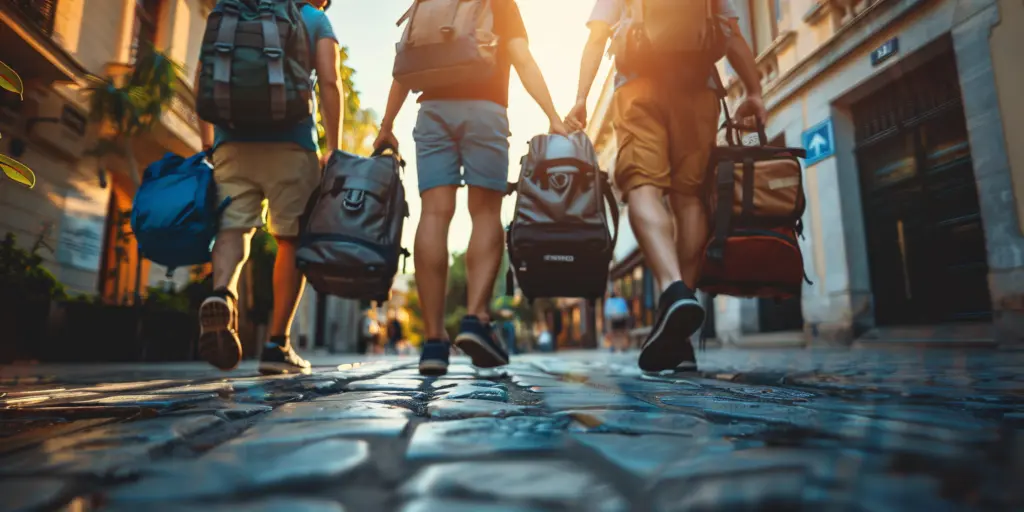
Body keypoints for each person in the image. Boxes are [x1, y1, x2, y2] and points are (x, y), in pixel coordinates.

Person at [566, 0, 766, 371]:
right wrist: (754, 92)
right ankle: (680, 335)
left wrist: (581, 99)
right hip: (699, 88)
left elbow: (596, 38)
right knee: (689, 199)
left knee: (642, 187)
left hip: (638, 84)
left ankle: (674, 290)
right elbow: (733, 35)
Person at [374, 0, 568, 376]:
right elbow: (522, 58)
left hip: (433, 112)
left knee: (434, 214)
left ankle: (434, 341)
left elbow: (405, 66)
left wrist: (387, 125)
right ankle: (476, 318)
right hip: (485, 109)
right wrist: (553, 116)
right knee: (484, 212)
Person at [194, 0, 341, 375]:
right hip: (292, 143)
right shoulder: (314, 19)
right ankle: (277, 345)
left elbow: (202, 75)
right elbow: (329, 81)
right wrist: (334, 148)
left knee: (233, 228)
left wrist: (208, 142)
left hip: (231, 141)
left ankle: (223, 293)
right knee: (291, 240)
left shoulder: (233, 11)